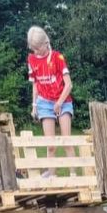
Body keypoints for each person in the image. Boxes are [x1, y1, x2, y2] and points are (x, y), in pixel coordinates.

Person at [27, 26, 73, 177]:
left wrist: (59, 103)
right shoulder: (31, 59)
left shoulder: (57, 58)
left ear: (45, 43)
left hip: (63, 101)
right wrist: (34, 105)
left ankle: (73, 175)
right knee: (50, 144)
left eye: (37, 48)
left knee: (67, 141)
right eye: (33, 48)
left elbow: (69, 85)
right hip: (44, 103)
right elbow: (35, 84)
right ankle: (52, 176)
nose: (35, 51)